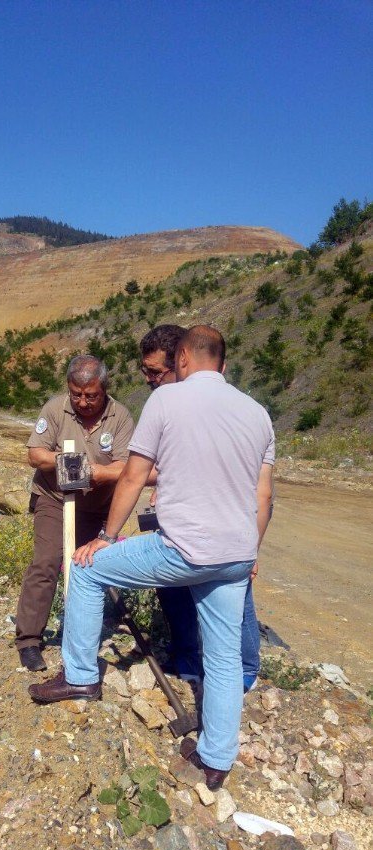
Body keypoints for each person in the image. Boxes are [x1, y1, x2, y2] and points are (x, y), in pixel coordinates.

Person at [29, 325, 275, 791]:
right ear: (222, 362)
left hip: (181, 548)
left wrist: (105, 536)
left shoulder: (166, 401)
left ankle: (80, 675)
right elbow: (263, 496)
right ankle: (215, 759)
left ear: (182, 359)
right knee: (220, 659)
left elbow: (134, 476)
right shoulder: (257, 413)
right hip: (236, 552)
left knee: (86, 568)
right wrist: (251, 551)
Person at [139, 325, 267, 691]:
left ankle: (240, 669)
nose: (149, 380)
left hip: (225, 525)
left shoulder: (214, 406)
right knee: (174, 584)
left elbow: (258, 488)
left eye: (155, 372)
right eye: (145, 372)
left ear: (180, 363)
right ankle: (189, 658)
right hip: (185, 522)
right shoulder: (173, 404)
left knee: (232, 587)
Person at [15, 355, 134, 671]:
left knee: (87, 567)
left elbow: (127, 468)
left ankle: (82, 636)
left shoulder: (120, 417)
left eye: (91, 395)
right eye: (76, 394)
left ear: (104, 389)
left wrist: (94, 471)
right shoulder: (55, 409)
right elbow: (34, 453)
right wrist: (66, 462)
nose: (82, 401)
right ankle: (28, 640)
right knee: (47, 562)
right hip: (54, 499)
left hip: (98, 507)